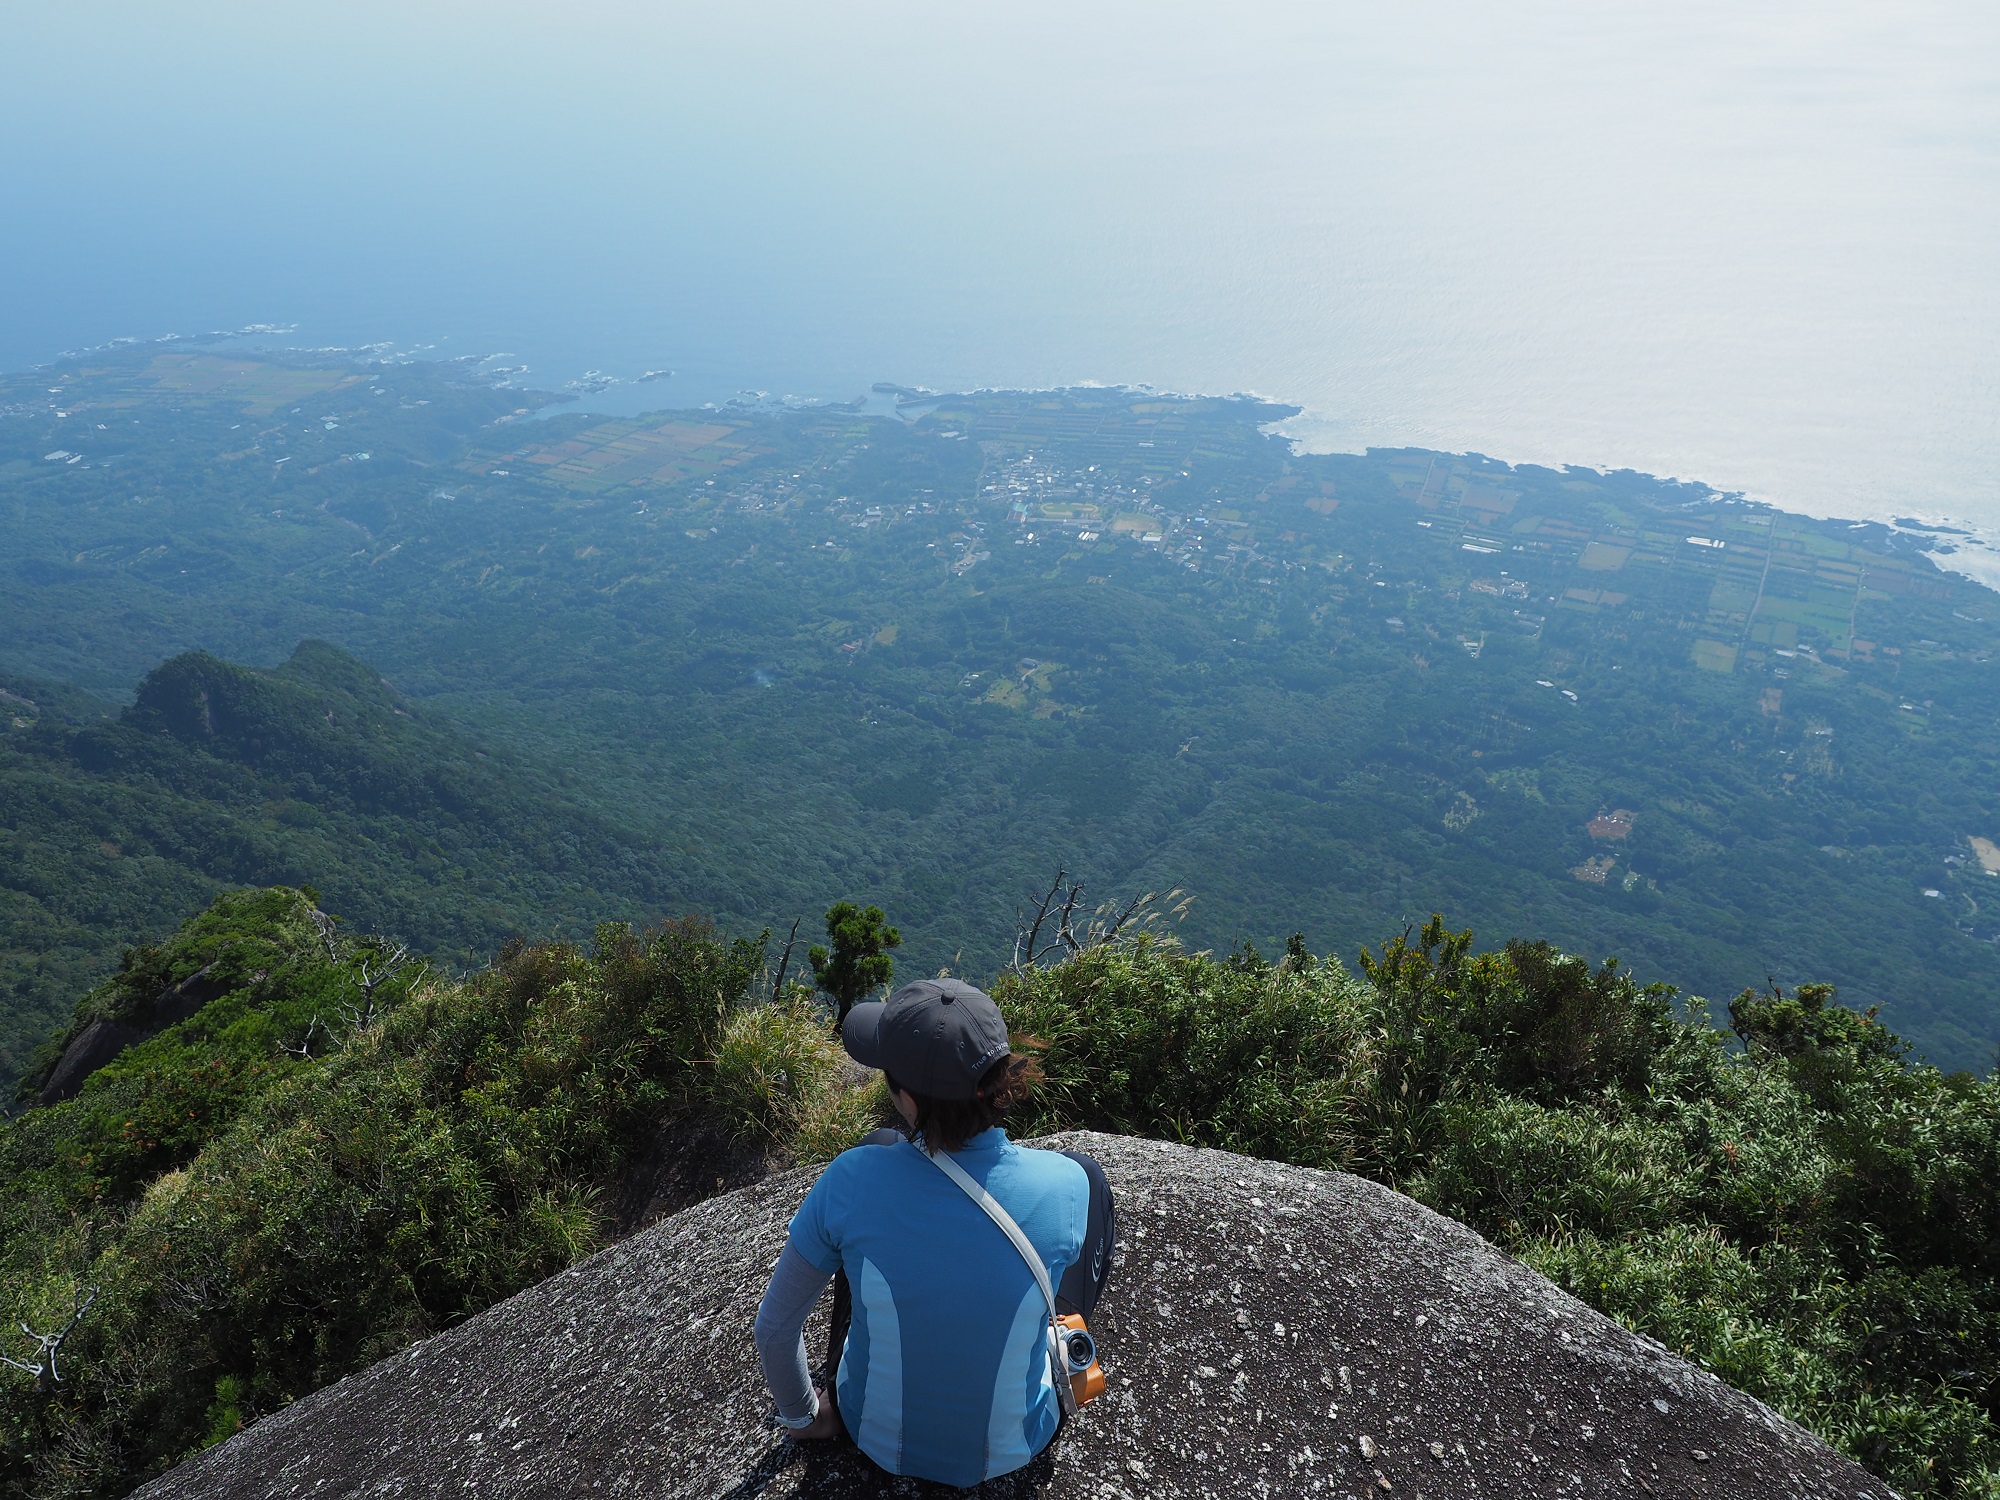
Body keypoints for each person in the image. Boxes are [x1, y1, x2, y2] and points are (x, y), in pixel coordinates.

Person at [753, 978, 1116, 1487]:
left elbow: (774, 1329)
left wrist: (804, 1418)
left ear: (907, 1098)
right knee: (1092, 1181)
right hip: (1017, 1446)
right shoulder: (1067, 1184)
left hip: (871, 1436)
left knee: (876, 1164)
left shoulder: (852, 1180)